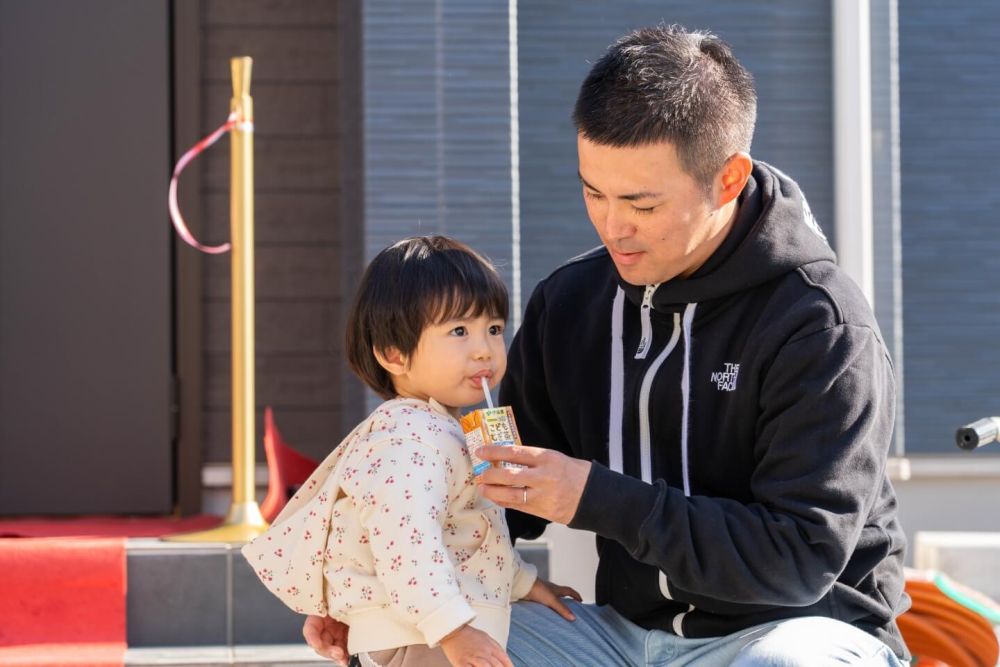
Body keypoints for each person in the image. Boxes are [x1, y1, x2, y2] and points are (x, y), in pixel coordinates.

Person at [305, 25, 911, 666]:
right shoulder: (570, 305)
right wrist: (367, 590)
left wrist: (598, 499)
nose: (611, 225)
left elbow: (798, 562)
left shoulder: (820, 326)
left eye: (641, 204)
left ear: (728, 180)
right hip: (617, 638)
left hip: (796, 632)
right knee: (416, 647)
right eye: (593, 192)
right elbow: (488, 495)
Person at [245, 236, 580, 667]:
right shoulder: (406, 439)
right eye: (459, 331)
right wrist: (454, 632)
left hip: (434, 629)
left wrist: (528, 584)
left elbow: (472, 535)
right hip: (422, 638)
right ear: (393, 354)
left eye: (493, 329)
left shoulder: (441, 427)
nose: (484, 348)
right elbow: (407, 541)